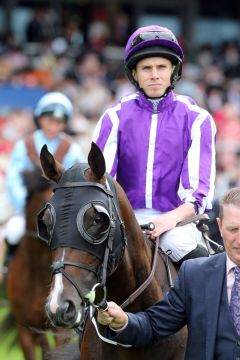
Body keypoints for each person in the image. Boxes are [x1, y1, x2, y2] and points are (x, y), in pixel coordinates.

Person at [92, 25, 216, 264]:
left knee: (192, 259)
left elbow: (198, 193)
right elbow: (100, 182)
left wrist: (170, 220)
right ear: (134, 74)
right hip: (121, 221)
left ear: (173, 71)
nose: (154, 75)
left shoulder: (197, 119)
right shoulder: (113, 118)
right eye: (146, 68)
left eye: (161, 67)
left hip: (177, 223)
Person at [97, 186, 240, 359]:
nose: (239, 239)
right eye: (233, 229)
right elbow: (153, 324)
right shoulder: (195, 275)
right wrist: (124, 321)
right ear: (220, 226)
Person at [4, 91, 86, 249]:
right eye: (50, 120)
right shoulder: (25, 145)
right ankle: (8, 268)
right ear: (40, 119)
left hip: (61, 210)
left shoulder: (72, 148)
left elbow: (76, 180)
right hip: (27, 208)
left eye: (59, 122)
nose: (54, 126)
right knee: (13, 232)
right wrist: (25, 205)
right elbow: (14, 179)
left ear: (65, 123)